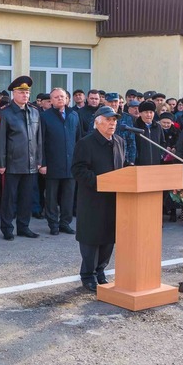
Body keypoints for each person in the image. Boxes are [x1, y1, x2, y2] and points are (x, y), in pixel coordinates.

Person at [71, 106, 126, 292]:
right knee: (91, 238)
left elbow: (122, 167)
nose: (112, 124)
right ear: (97, 122)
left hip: (114, 198)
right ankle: (88, 275)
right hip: (93, 198)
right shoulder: (86, 143)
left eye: (114, 120)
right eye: (108, 120)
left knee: (108, 237)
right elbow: (78, 170)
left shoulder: (119, 141)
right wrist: (100, 182)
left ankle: (100, 271)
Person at [0, 76, 45, 240]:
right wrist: (1, 163)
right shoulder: (5, 112)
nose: (25, 95)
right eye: (21, 92)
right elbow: (0, 140)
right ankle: (7, 228)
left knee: (26, 198)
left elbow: (38, 139)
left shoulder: (34, 112)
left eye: (27, 92)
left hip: (30, 163)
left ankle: (24, 226)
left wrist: (39, 160)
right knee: (10, 198)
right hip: (12, 163)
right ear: (14, 93)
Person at [40, 87, 81, 235]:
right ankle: (53, 224)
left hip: (71, 164)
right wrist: (43, 163)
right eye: (56, 97)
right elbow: (41, 142)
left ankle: (65, 223)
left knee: (68, 196)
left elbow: (79, 140)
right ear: (51, 100)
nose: (59, 99)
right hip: (52, 163)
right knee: (51, 197)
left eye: (62, 96)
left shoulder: (74, 115)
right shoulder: (45, 116)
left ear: (67, 99)